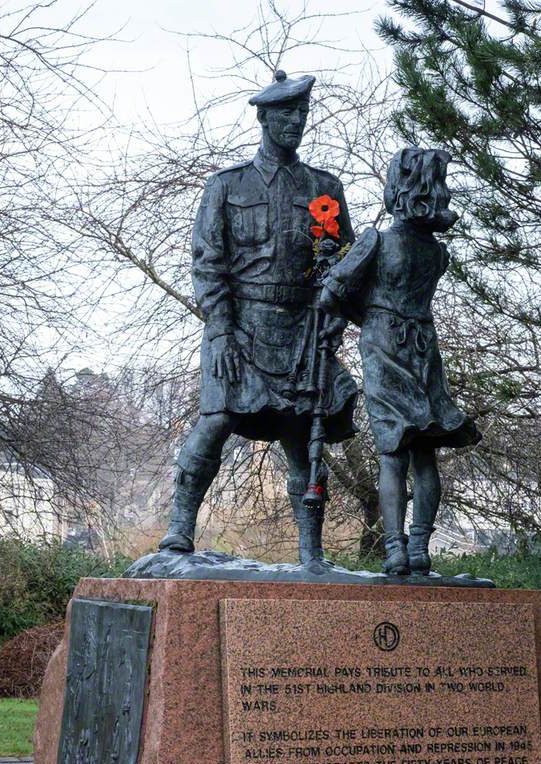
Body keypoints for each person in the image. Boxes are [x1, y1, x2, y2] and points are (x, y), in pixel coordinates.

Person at [159, 70, 357, 564]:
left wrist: (333, 315)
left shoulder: (323, 190)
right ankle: (179, 530)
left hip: (300, 331)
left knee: (302, 438)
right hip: (238, 325)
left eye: (303, 114)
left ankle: (311, 550)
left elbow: (340, 262)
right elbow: (208, 263)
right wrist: (220, 330)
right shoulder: (226, 186)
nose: (297, 122)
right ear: (265, 118)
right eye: (287, 114)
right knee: (215, 420)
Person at [320, 147, 479, 575]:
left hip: (385, 350)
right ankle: (420, 548)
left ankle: (395, 548)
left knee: (393, 454)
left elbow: (331, 295)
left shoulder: (377, 241)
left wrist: (363, 312)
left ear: (397, 188)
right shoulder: (437, 253)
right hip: (424, 348)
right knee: (425, 454)